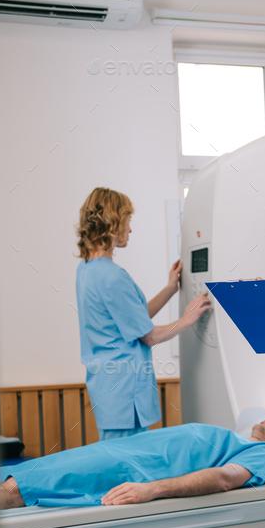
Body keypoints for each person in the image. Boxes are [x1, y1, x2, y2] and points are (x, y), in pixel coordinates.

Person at [76, 188, 211, 440]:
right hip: (124, 392)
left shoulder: (86, 270)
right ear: (113, 222)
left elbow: (132, 319)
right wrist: (187, 319)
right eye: (127, 221)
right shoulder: (112, 276)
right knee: (126, 469)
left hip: (108, 390)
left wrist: (171, 289)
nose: (130, 229)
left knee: (117, 463)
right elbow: (148, 336)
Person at [0, 416, 265, 509]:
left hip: (127, 468)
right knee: (13, 477)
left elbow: (224, 478)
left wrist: (152, 489)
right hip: (120, 451)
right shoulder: (239, 439)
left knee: (17, 490)